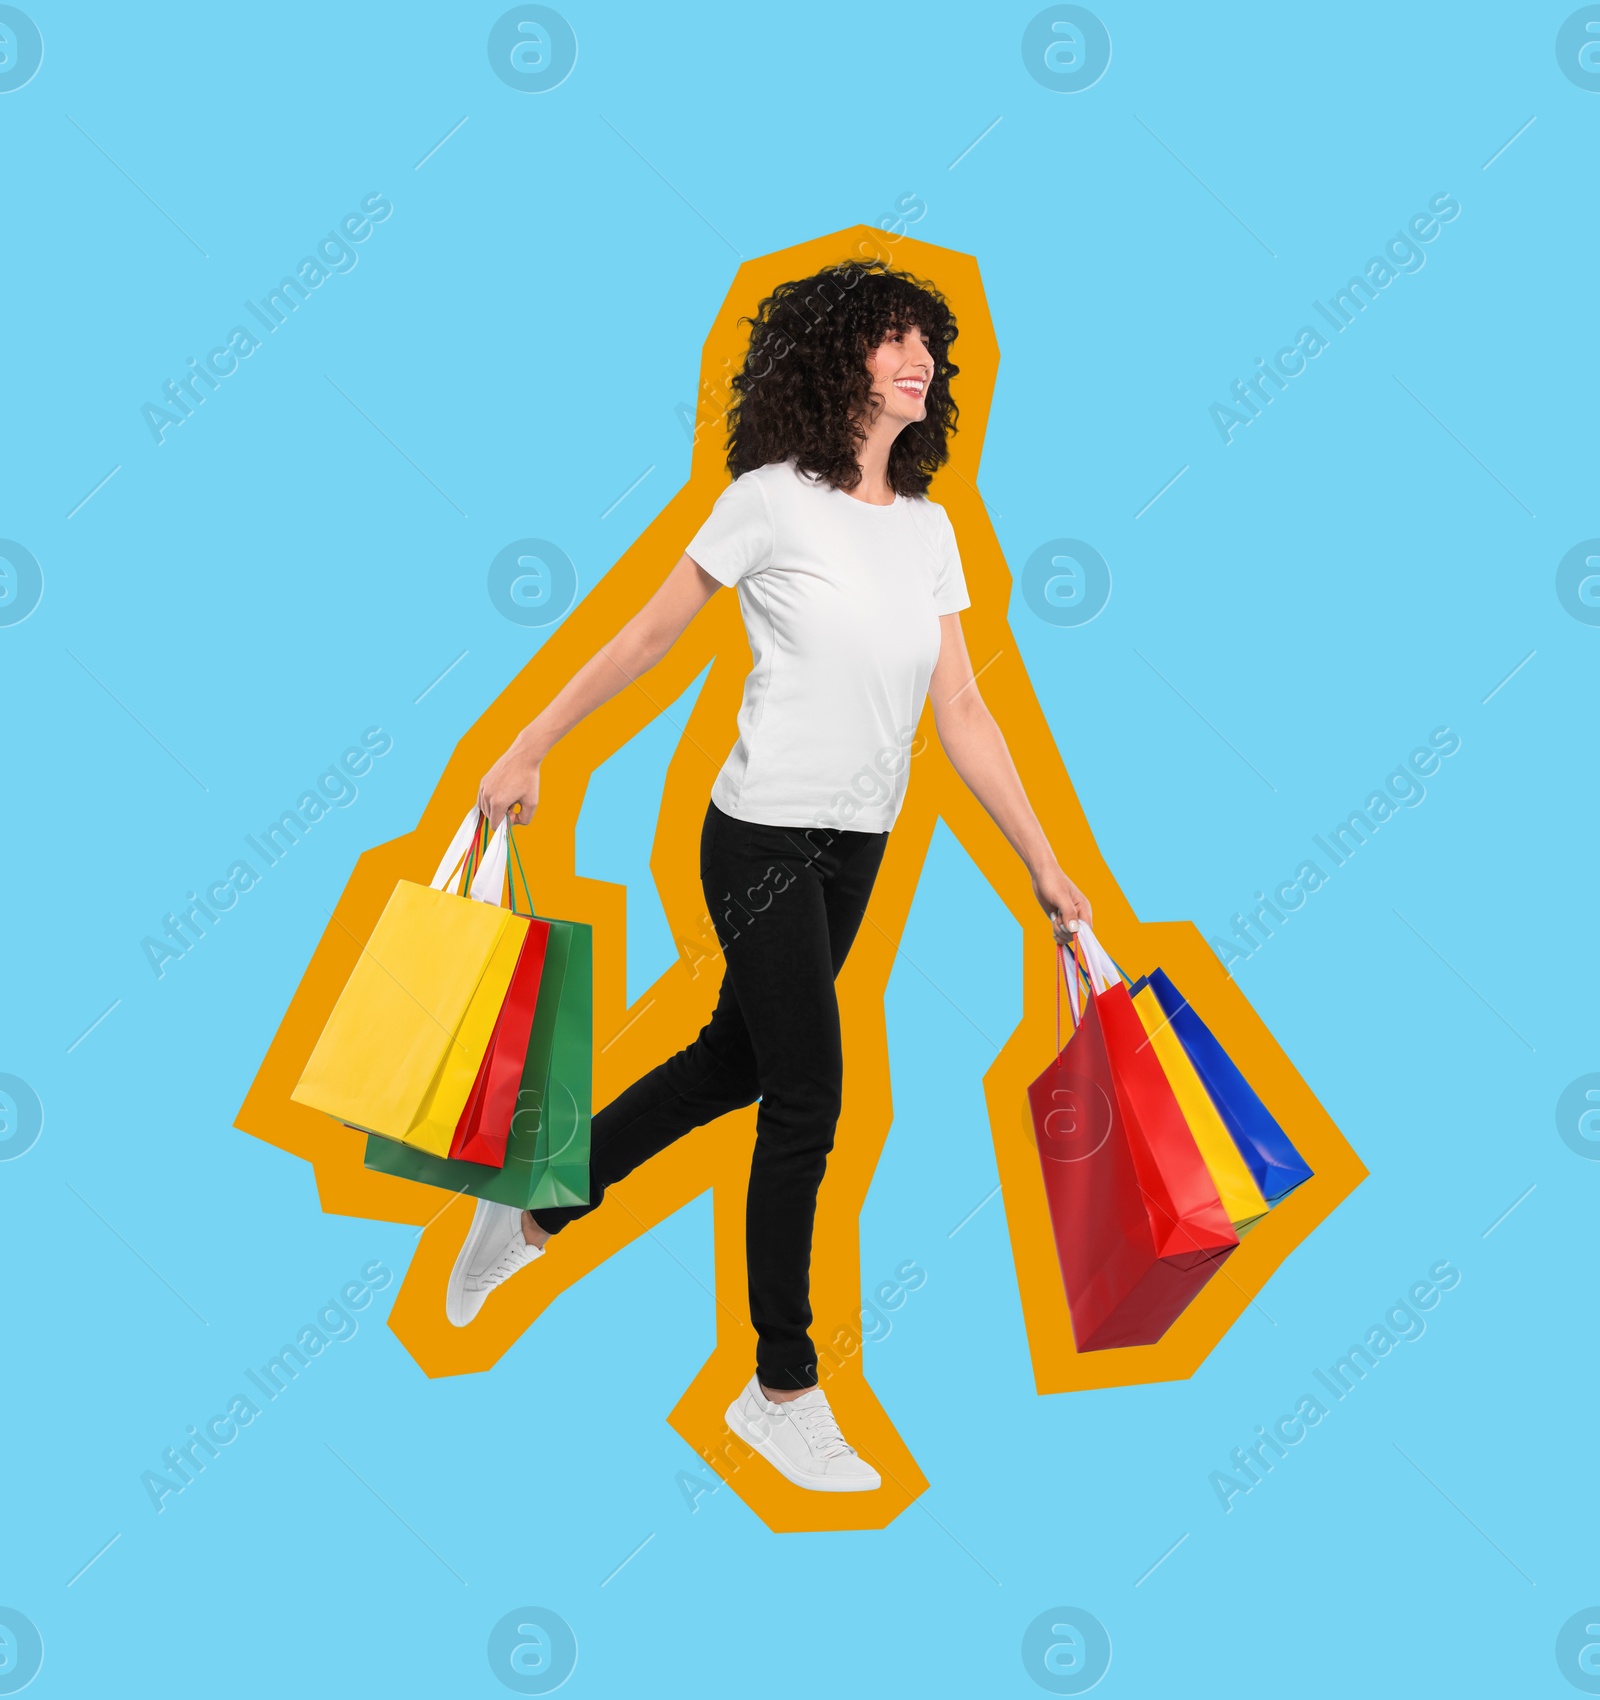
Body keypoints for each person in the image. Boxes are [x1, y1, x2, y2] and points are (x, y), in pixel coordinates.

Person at [445, 259, 1092, 1493]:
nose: (924, 361)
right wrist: (527, 743)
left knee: (727, 1064)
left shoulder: (927, 528)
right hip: (753, 837)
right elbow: (646, 634)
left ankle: (528, 1212)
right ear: (839, 353)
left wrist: (1045, 866)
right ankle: (779, 1383)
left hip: (859, 844)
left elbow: (960, 706)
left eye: (933, 347)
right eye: (898, 339)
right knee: (810, 1092)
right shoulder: (768, 500)